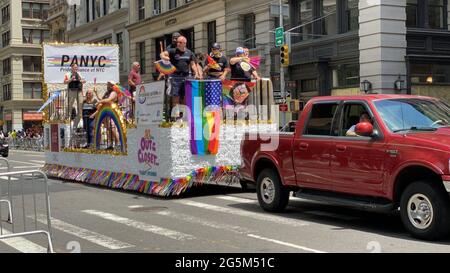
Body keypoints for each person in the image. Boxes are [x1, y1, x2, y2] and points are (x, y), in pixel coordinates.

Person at [160, 36, 202, 121]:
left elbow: (193, 64)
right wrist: (165, 57)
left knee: (185, 97)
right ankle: (176, 117)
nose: (177, 43)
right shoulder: (172, 51)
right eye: (177, 42)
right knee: (175, 97)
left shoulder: (189, 52)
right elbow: (162, 54)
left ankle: (183, 116)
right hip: (175, 77)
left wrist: (197, 73)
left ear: (184, 43)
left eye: (179, 42)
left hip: (186, 77)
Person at [90, 81, 119, 149]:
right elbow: (102, 99)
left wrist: (99, 102)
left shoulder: (113, 93)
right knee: (108, 129)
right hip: (106, 112)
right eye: (108, 85)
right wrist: (96, 93)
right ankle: (111, 144)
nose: (108, 86)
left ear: (112, 86)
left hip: (111, 112)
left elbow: (108, 100)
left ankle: (118, 143)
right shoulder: (107, 93)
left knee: (112, 129)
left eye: (109, 85)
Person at [64, 64, 86, 129]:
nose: (76, 68)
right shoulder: (68, 74)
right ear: (72, 68)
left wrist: (80, 80)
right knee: (69, 105)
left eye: (76, 67)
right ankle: (67, 120)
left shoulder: (79, 74)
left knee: (80, 106)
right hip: (71, 91)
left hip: (79, 91)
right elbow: (65, 82)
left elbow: (84, 81)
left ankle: (75, 125)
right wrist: (71, 79)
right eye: (74, 67)